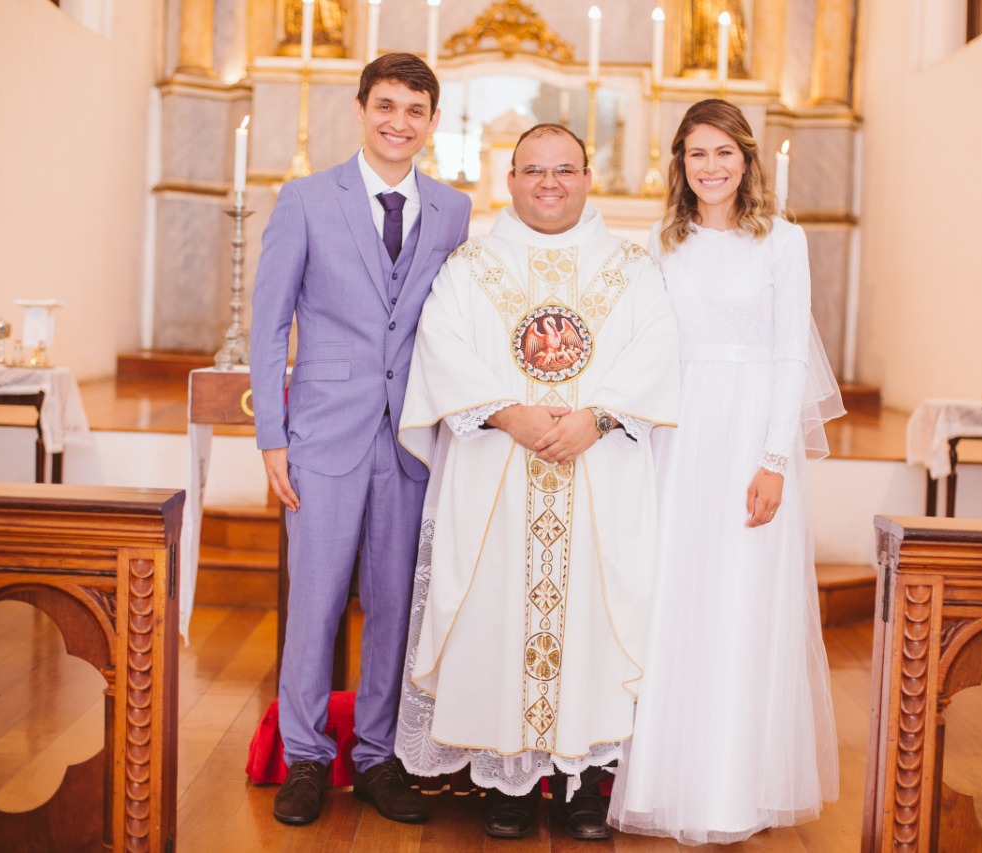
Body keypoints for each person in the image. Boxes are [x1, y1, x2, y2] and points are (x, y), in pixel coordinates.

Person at [393, 124, 680, 841]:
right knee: (495, 610)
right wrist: (509, 413)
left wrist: (600, 417)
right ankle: (509, 777)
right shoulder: (471, 264)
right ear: (510, 179)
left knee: (591, 614)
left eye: (563, 170)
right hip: (498, 467)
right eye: (532, 171)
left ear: (588, 178)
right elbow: (442, 344)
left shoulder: (631, 266)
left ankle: (584, 782)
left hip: (599, 469)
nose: (547, 182)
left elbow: (657, 348)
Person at [607, 99, 844, 845]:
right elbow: (646, 346)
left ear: (747, 158)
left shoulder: (781, 241)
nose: (710, 167)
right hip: (682, 432)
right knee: (680, 598)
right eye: (695, 154)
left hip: (749, 434)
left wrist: (774, 459)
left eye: (723, 153)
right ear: (679, 163)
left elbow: (790, 354)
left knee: (743, 600)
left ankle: (736, 788)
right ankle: (670, 781)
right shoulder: (661, 240)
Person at [249, 52, 472, 827]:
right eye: (386, 106)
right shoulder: (307, 199)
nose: (398, 122)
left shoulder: (454, 210)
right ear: (360, 109)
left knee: (394, 604)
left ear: (433, 123)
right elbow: (270, 322)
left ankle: (376, 754)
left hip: (413, 436)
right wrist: (271, 436)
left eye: (415, 110)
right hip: (321, 431)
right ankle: (307, 756)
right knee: (313, 600)